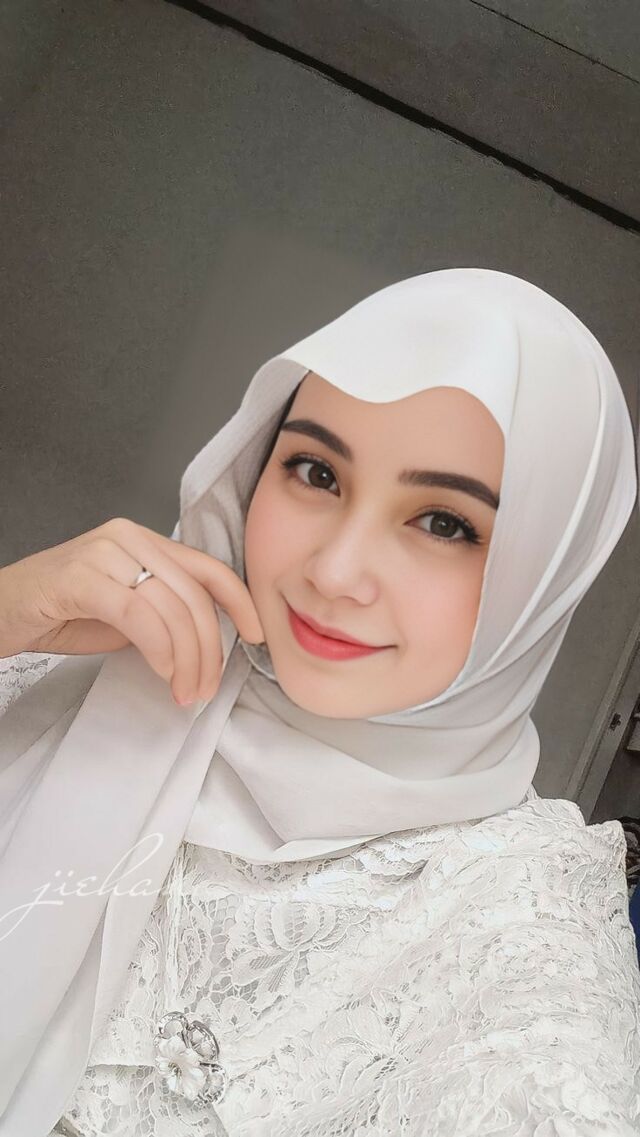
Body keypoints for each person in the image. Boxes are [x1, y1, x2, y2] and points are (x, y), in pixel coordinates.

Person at [0, 267, 639, 1136]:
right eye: (314, 471)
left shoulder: (521, 931)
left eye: (443, 522)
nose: (334, 572)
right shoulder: (79, 682)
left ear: (543, 572)